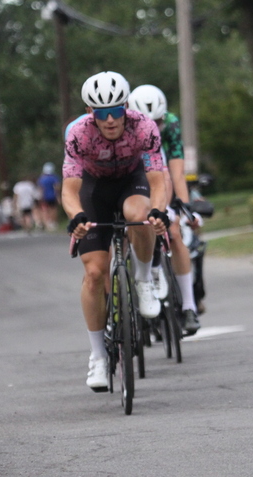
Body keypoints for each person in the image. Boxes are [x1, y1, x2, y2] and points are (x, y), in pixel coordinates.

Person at [63, 71, 169, 391]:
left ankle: (143, 278)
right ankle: (98, 356)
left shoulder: (144, 127)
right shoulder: (78, 134)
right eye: (101, 113)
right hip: (94, 190)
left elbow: (158, 179)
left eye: (116, 111)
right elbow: (70, 188)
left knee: (139, 215)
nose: (110, 120)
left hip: (130, 181)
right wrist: (76, 215)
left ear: (126, 107)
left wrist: (158, 210)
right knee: (94, 274)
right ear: (89, 112)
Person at [128, 84, 201, 335]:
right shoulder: (125, 127)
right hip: (135, 181)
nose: (154, 127)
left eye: (158, 121)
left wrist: (183, 206)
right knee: (135, 228)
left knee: (175, 232)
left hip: (163, 176)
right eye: (148, 122)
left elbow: (176, 172)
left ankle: (189, 307)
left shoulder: (170, 123)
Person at [37, 162, 61, 231]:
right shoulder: (54, 177)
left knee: (45, 210)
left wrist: (41, 197)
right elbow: (57, 187)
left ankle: (48, 223)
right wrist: (58, 197)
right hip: (53, 196)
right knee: (54, 209)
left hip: (45, 197)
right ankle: (53, 223)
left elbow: (41, 189)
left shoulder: (42, 178)